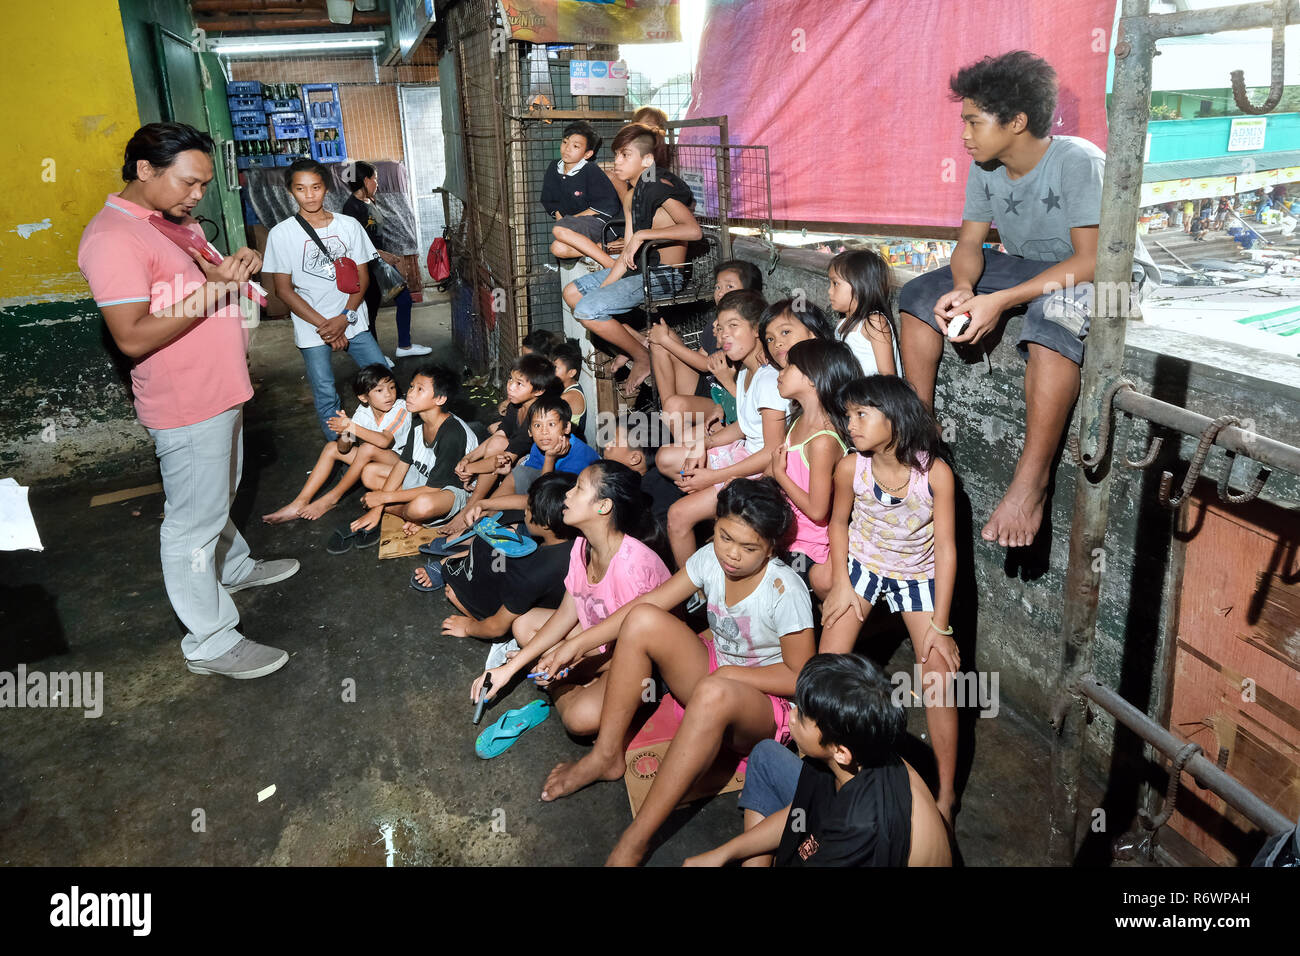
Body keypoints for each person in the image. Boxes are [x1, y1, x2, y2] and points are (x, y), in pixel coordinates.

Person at [895, 50, 1157, 549]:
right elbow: (970, 246)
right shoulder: (986, 165)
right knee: (919, 291)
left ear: (1017, 122)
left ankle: (1031, 482)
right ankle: (919, 433)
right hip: (1040, 268)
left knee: (1050, 316)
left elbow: (1092, 260)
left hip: (1111, 275)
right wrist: (967, 290)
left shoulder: (1078, 161)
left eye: (973, 121)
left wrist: (1001, 302)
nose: (964, 134)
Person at [78, 122, 298, 679]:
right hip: (187, 402)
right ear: (145, 170)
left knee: (217, 496)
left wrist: (234, 268)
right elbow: (131, 335)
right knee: (189, 525)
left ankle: (233, 565)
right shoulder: (113, 238)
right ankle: (211, 640)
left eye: (204, 184)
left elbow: (214, 276)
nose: (197, 195)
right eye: (188, 183)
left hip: (220, 389)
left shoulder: (172, 223)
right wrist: (217, 287)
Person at [535, 477, 816, 867]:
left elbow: (800, 678)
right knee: (643, 619)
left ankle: (636, 840)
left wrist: (733, 678)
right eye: (723, 536)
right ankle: (606, 755)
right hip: (717, 673)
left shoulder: (785, 592)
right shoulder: (709, 559)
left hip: (765, 709)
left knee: (715, 692)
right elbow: (647, 604)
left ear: (772, 547)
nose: (731, 554)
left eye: (748, 547)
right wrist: (575, 644)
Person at [821, 375, 960, 821]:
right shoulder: (850, 468)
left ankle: (946, 792)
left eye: (862, 414)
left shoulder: (934, 476)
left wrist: (941, 626)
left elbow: (947, 550)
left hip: (916, 575)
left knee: (940, 678)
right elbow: (838, 524)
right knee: (826, 668)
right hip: (862, 565)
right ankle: (829, 764)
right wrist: (842, 583)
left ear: (895, 418)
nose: (851, 424)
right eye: (848, 415)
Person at [683, 654, 952, 867]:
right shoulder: (859, 750)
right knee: (766, 756)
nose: (791, 715)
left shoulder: (861, 829)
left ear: (840, 751)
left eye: (802, 716)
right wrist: (724, 853)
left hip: (858, 846)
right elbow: (802, 810)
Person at [471, 461, 672, 736]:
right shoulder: (582, 545)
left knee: (578, 721)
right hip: (598, 639)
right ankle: (573, 682)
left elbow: (630, 652)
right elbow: (567, 613)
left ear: (603, 507)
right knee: (523, 625)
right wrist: (508, 669)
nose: (567, 495)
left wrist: (569, 661)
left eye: (578, 488)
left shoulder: (631, 569)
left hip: (636, 658)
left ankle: (571, 685)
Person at [563, 123, 701, 396]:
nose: (617, 162)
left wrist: (642, 236)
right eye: (616, 155)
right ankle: (635, 345)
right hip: (640, 271)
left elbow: (693, 230)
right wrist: (606, 284)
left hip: (666, 275)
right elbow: (627, 257)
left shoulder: (659, 190)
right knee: (573, 294)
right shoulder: (630, 197)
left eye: (625, 155)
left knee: (587, 310)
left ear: (646, 160)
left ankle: (640, 356)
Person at [655, 290, 785, 572]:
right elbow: (745, 425)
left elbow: (771, 453)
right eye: (721, 327)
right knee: (667, 458)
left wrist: (713, 477)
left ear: (757, 330)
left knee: (678, 515)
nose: (725, 335)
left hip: (761, 472)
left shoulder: (767, 379)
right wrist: (706, 443)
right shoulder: (750, 372)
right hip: (743, 454)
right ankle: (713, 523)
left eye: (734, 326)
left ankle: (697, 593)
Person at [263, 158, 388, 441]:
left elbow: (362, 278)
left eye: (316, 187)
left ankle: (391, 437)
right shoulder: (281, 234)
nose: (309, 195)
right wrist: (328, 328)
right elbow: (283, 290)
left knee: (381, 377)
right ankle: (339, 446)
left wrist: (343, 319)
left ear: (326, 188)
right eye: (301, 189)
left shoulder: (348, 225)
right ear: (290, 191)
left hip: (351, 318)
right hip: (313, 326)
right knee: (324, 389)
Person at [340, 363, 478, 545]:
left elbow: (434, 488)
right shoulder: (419, 424)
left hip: (453, 491)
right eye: (412, 386)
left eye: (420, 389)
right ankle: (418, 517)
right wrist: (377, 509)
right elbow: (401, 466)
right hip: (424, 478)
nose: (410, 393)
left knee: (421, 506)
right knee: (369, 473)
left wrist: (384, 497)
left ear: (440, 399)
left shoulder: (452, 433)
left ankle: (419, 517)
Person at [262, 363, 410, 523]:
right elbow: (343, 448)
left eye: (392, 388)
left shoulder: (400, 408)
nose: (388, 395)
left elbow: (384, 441)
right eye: (379, 390)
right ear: (363, 397)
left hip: (404, 465)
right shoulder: (363, 412)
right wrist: (346, 432)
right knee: (332, 447)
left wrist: (350, 425)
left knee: (368, 448)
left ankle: (332, 498)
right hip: (377, 465)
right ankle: (300, 501)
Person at [767, 339, 857, 597]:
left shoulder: (823, 441)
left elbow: (817, 511)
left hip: (807, 546)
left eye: (789, 366)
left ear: (813, 378)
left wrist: (780, 474)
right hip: (784, 530)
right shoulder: (797, 421)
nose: (780, 373)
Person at [423, 472, 576, 620]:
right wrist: (483, 503)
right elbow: (528, 500)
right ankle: (468, 554)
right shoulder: (571, 526)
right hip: (526, 576)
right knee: (498, 540)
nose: (524, 510)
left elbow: (499, 626)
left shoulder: (535, 572)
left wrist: (469, 624)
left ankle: (465, 566)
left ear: (547, 521)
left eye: (529, 509)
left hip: (507, 613)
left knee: (493, 551)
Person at [440, 393, 600, 529]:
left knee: (528, 504)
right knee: (519, 473)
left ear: (566, 428)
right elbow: (530, 479)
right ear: (530, 431)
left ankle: (485, 514)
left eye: (551, 424)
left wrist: (550, 458)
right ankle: (484, 516)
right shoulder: (540, 445)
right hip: (546, 487)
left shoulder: (579, 456)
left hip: (566, 506)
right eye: (537, 425)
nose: (544, 432)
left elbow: (543, 498)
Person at [648, 259, 760, 441]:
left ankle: (672, 418)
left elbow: (706, 365)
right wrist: (664, 340)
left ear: (750, 294)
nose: (721, 292)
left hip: (725, 401)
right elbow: (701, 359)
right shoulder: (715, 323)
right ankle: (667, 416)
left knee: (664, 340)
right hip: (708, 387)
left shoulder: (742, 329)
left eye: (729, 287)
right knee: (659, 342)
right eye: (717, 287)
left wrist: (668, 341)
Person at [342, 160, 430, 358]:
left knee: (405, 299)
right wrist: (382, 255)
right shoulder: (351, 209)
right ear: (365, 180)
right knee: (370, 311)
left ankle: (404, 346)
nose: (377, 183)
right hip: (366, 266)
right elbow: (355, 243)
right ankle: (375, 357)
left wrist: (385, 255)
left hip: (380, 263)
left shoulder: (368, 201)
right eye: (375, 179)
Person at [453, 353, 559, 508]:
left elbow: (506, 458)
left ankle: (474, 502)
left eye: (519, 384)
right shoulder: (516, 405)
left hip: (537, 471)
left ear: (538, 391)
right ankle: (475, 500)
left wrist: (469, 469)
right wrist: (468, 459)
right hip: (511, 460)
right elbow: (499, 435)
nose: (510, 386)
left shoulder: (538, 417)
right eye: (510, 379)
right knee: (495, 439)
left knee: (496, 445)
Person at [544, 122, 624, 262]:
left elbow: (606, 206)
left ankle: (609, 264)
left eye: (575, 146)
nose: (567, 149)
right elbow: (552, 201)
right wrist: (563, 222)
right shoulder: (553, 167)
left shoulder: (590, 170)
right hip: (573, 226)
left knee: (559, 230)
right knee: (557, 248)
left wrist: (570, 222)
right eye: (565, 142)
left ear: (587, 154)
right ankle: (606, 247)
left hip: (601, 223)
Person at [827, 249, 898, 376]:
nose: (829, 291)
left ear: (860, 285)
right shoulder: (841, 325)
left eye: (835, 283)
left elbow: (888, 380)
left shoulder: (874, 323)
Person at [551, 340, 588, 439]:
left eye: (555, 368)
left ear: (571, 373)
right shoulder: (566, 386)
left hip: (569, 446)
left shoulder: (570, 396)